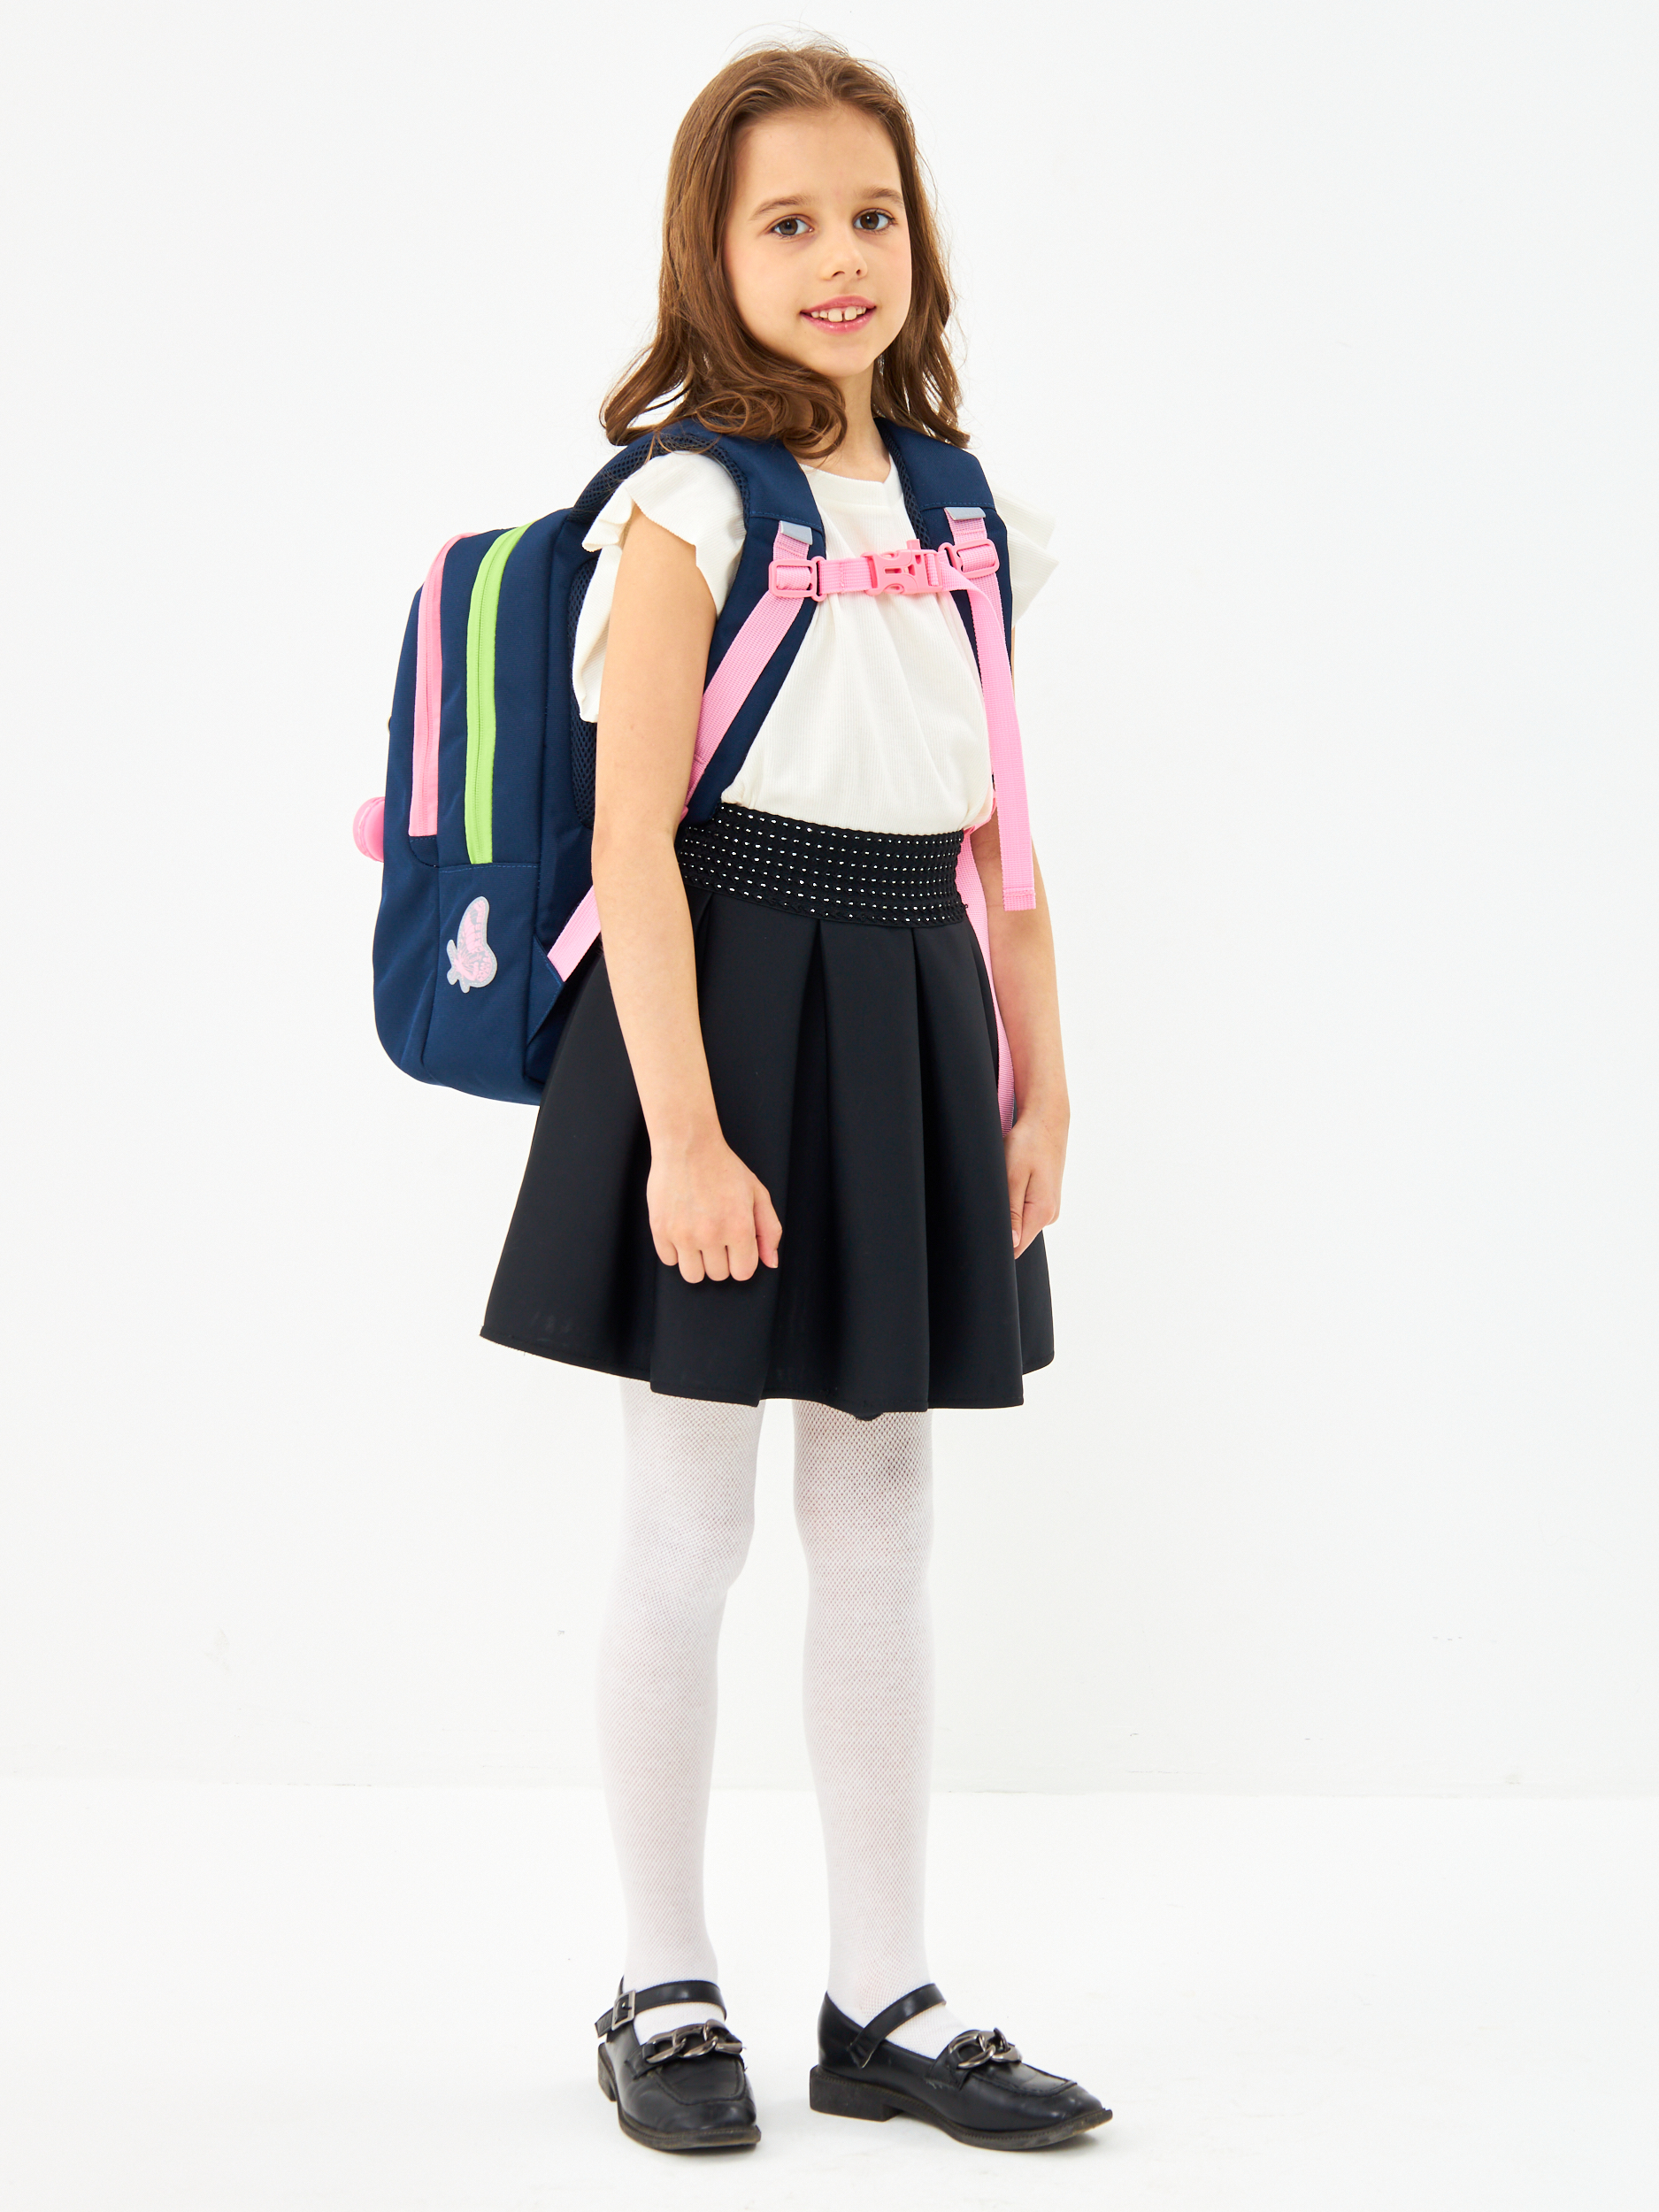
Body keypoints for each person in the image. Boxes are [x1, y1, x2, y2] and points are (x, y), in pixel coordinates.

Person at [480, 41, 1109, 2154]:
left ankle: (880, 1991)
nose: (840, 256)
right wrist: (679, 1129)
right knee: (688, 1513)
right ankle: (660, 1975)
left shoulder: (965, 507)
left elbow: (1000, 832)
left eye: (870, 214)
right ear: (710, 251)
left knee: (882, 1509)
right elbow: (633, 841)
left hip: (913, 1006)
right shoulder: (683, 504)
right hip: (721, 1006)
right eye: (787, 221)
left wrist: (1040, 1076)